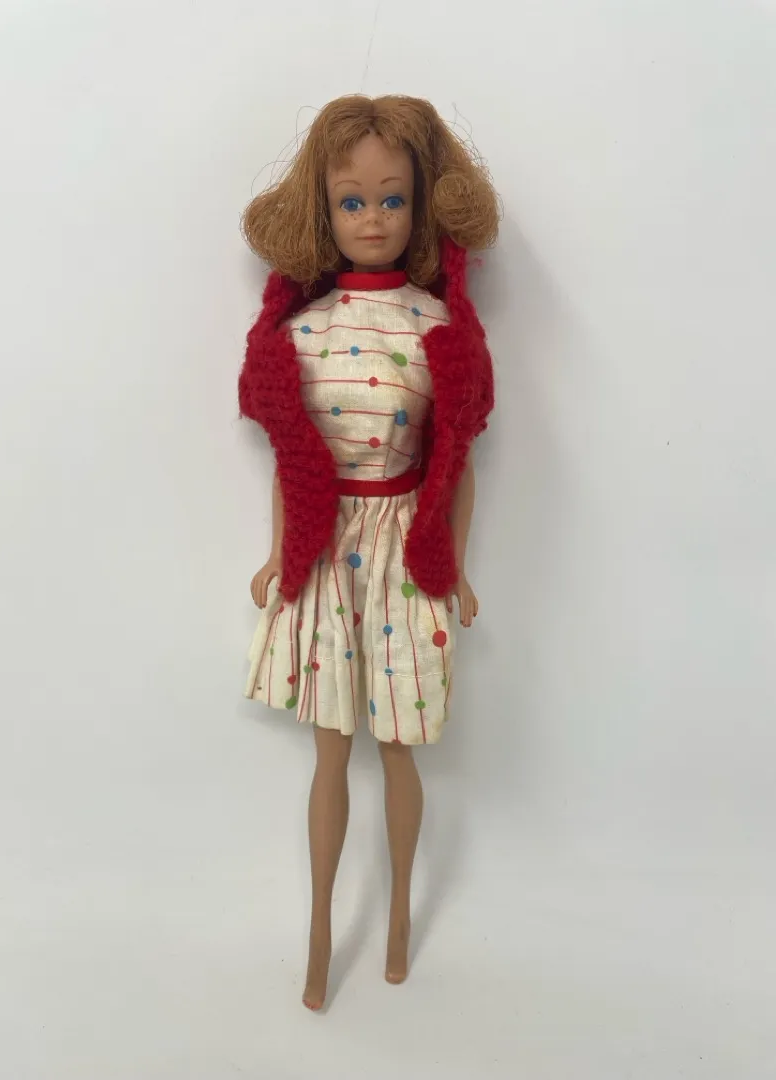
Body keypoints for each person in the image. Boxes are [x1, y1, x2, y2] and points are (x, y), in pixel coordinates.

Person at [238, 94, 499, 1010]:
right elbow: (292, 459)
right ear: (324, 209)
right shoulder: (301, 334)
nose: (375, 218)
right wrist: (278, 553)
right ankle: (319, 930)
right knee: (330, 752)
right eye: (352, 201)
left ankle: (394, 922)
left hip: (405, 553)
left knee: (398, 746)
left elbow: (455, 460)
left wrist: (456, 565)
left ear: (420, 206)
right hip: (324, 551)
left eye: (393, 199)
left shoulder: (438, 330)